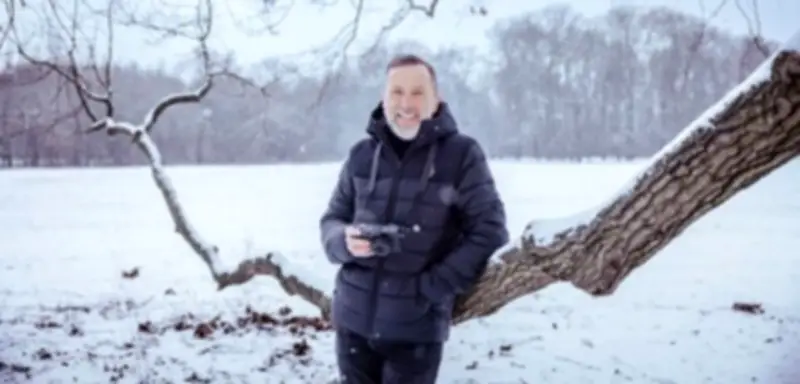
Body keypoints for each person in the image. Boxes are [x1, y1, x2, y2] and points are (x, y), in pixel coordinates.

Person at [319, 53, 509, 384]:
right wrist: (343, 242)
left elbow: (489, 231)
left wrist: (431, 289)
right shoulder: (362, 155)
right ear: (384, 98)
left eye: (418, 92)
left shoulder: (461, 154)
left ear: (437, 99)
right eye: (397, 92)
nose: (407, 103)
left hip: (414, 332)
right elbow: (332, 219)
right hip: (352, 323)